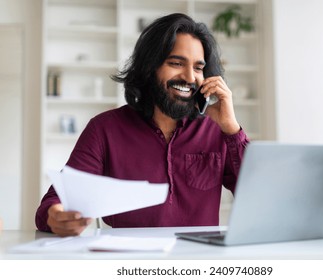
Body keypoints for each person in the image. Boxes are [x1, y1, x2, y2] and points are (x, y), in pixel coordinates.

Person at [35, 13, 250, 237]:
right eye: (176, 63)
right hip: (128, 263)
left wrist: (232, 129)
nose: (189, 77)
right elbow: (57, 200)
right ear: (149, 68)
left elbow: (256, 196)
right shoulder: (104, 129)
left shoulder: (218, 131)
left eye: (198, 68)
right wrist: (56, 214)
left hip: (199, 263)